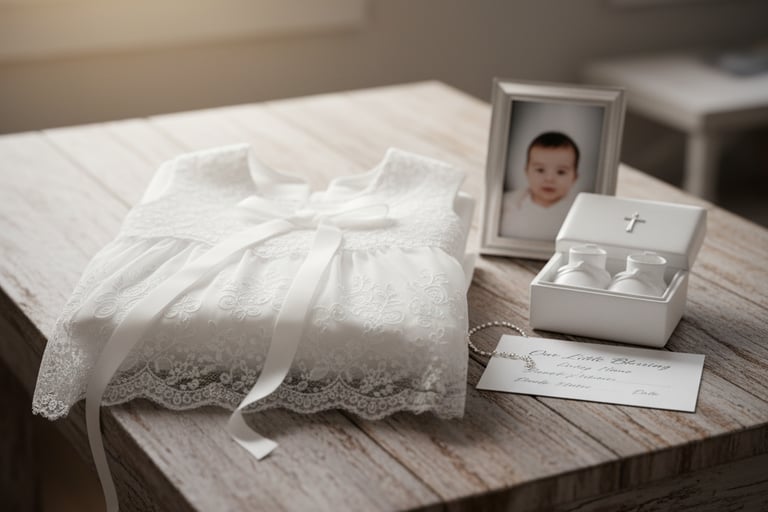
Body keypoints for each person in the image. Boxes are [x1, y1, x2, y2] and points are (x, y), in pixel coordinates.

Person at [499, 131, 579, 241]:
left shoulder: (577, 213)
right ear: (527, 171)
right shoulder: (507, 204)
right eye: (540, 170)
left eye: (561, 172)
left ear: (574, 177)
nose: (549, 178)